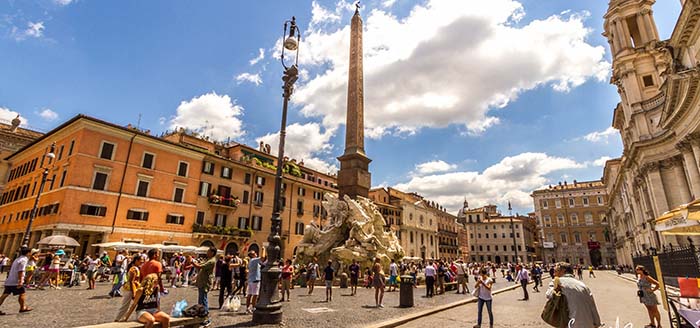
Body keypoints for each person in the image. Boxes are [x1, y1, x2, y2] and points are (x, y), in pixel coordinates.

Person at [546, 262, 601, 328]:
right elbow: (592, 306)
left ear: (563, 270)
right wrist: (597, 323)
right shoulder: (583, 285)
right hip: (588, 324)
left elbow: (549, 295)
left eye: (555, 271)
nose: (554, 274)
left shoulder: (557, 282)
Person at [0, 247, 32, 315]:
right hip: (15, 281)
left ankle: (22, 307)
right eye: (30, 252)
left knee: (4, 295)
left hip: (10, 280)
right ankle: (22, 307)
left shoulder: (18, 259)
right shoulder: (23, 260)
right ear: (28, 253)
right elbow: (21, 270)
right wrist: (20, 281)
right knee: (22, 293)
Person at [192, 247, 217, 327]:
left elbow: (199, 267)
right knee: (201, 301)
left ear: (212, 252)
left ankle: (206, 319)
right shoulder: (208, 259)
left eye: (208, 251)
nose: (207, 252)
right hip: (202, 283)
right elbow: (200, 265)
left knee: (203, 301)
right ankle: (201, 317)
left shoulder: (211, 261)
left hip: (204, 283)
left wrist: (192, 262)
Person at [115, 255, 143, 322]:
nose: (142, 262)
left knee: (128, 304)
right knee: (125, 305)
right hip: (130, 289)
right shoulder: (134, 269)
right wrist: (134, 292)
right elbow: (132, 281)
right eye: (140, 260)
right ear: (136, 261)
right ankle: (117, 319)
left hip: (131, 288)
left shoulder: (135, 268)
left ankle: (123, 317)